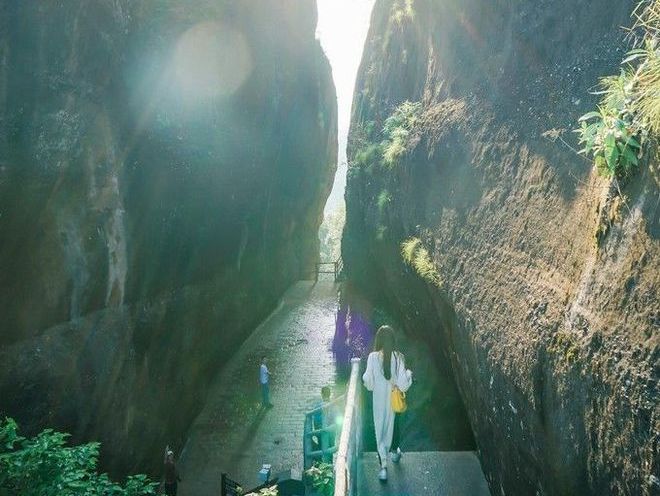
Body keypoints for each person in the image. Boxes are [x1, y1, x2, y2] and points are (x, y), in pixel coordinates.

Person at [362, 325, 412, 481]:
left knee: (380, 431)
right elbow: (403, 384)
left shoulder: (372, 357)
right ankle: (395, 452)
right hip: (393, 401)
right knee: (394, 426)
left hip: (378, 403)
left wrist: (368, 380)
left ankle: (383, 467)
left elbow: (369, 383)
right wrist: (409, 374)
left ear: (379, 340)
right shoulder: (398, 357)